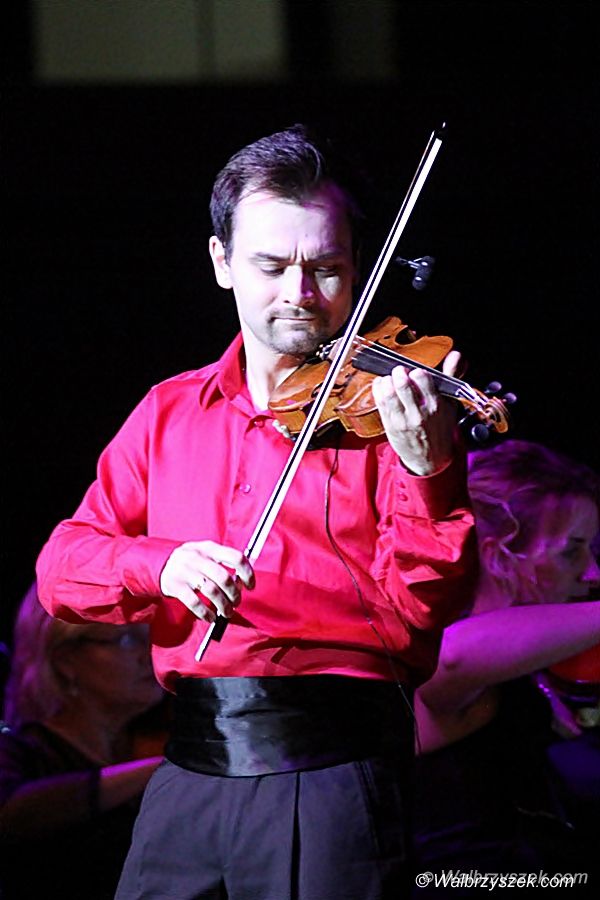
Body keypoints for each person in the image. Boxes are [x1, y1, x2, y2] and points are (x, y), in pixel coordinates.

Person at [35, 124, 476, 900]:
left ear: (358, 268)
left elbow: (425, 606)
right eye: (272, 266)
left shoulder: (391, 414)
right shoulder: (169, 411)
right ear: (221, 262)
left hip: (331, 773)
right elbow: (61, 571)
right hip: (188, 774)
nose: (300, 294)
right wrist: (161, 564)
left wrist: (429, 473)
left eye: (327, 269)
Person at [412, 440, 600, 891]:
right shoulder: (440, 656)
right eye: (571, 551)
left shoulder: (524, 664)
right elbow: (454, 656)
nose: (593, 572)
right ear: (499, 557)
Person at [0, 582, 165, 900]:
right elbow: (8, 816)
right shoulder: (22, 752)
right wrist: (157, 771)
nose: (150, 654)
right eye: (127, 639)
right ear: (65, 661)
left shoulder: (146, 742)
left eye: (152, 636)